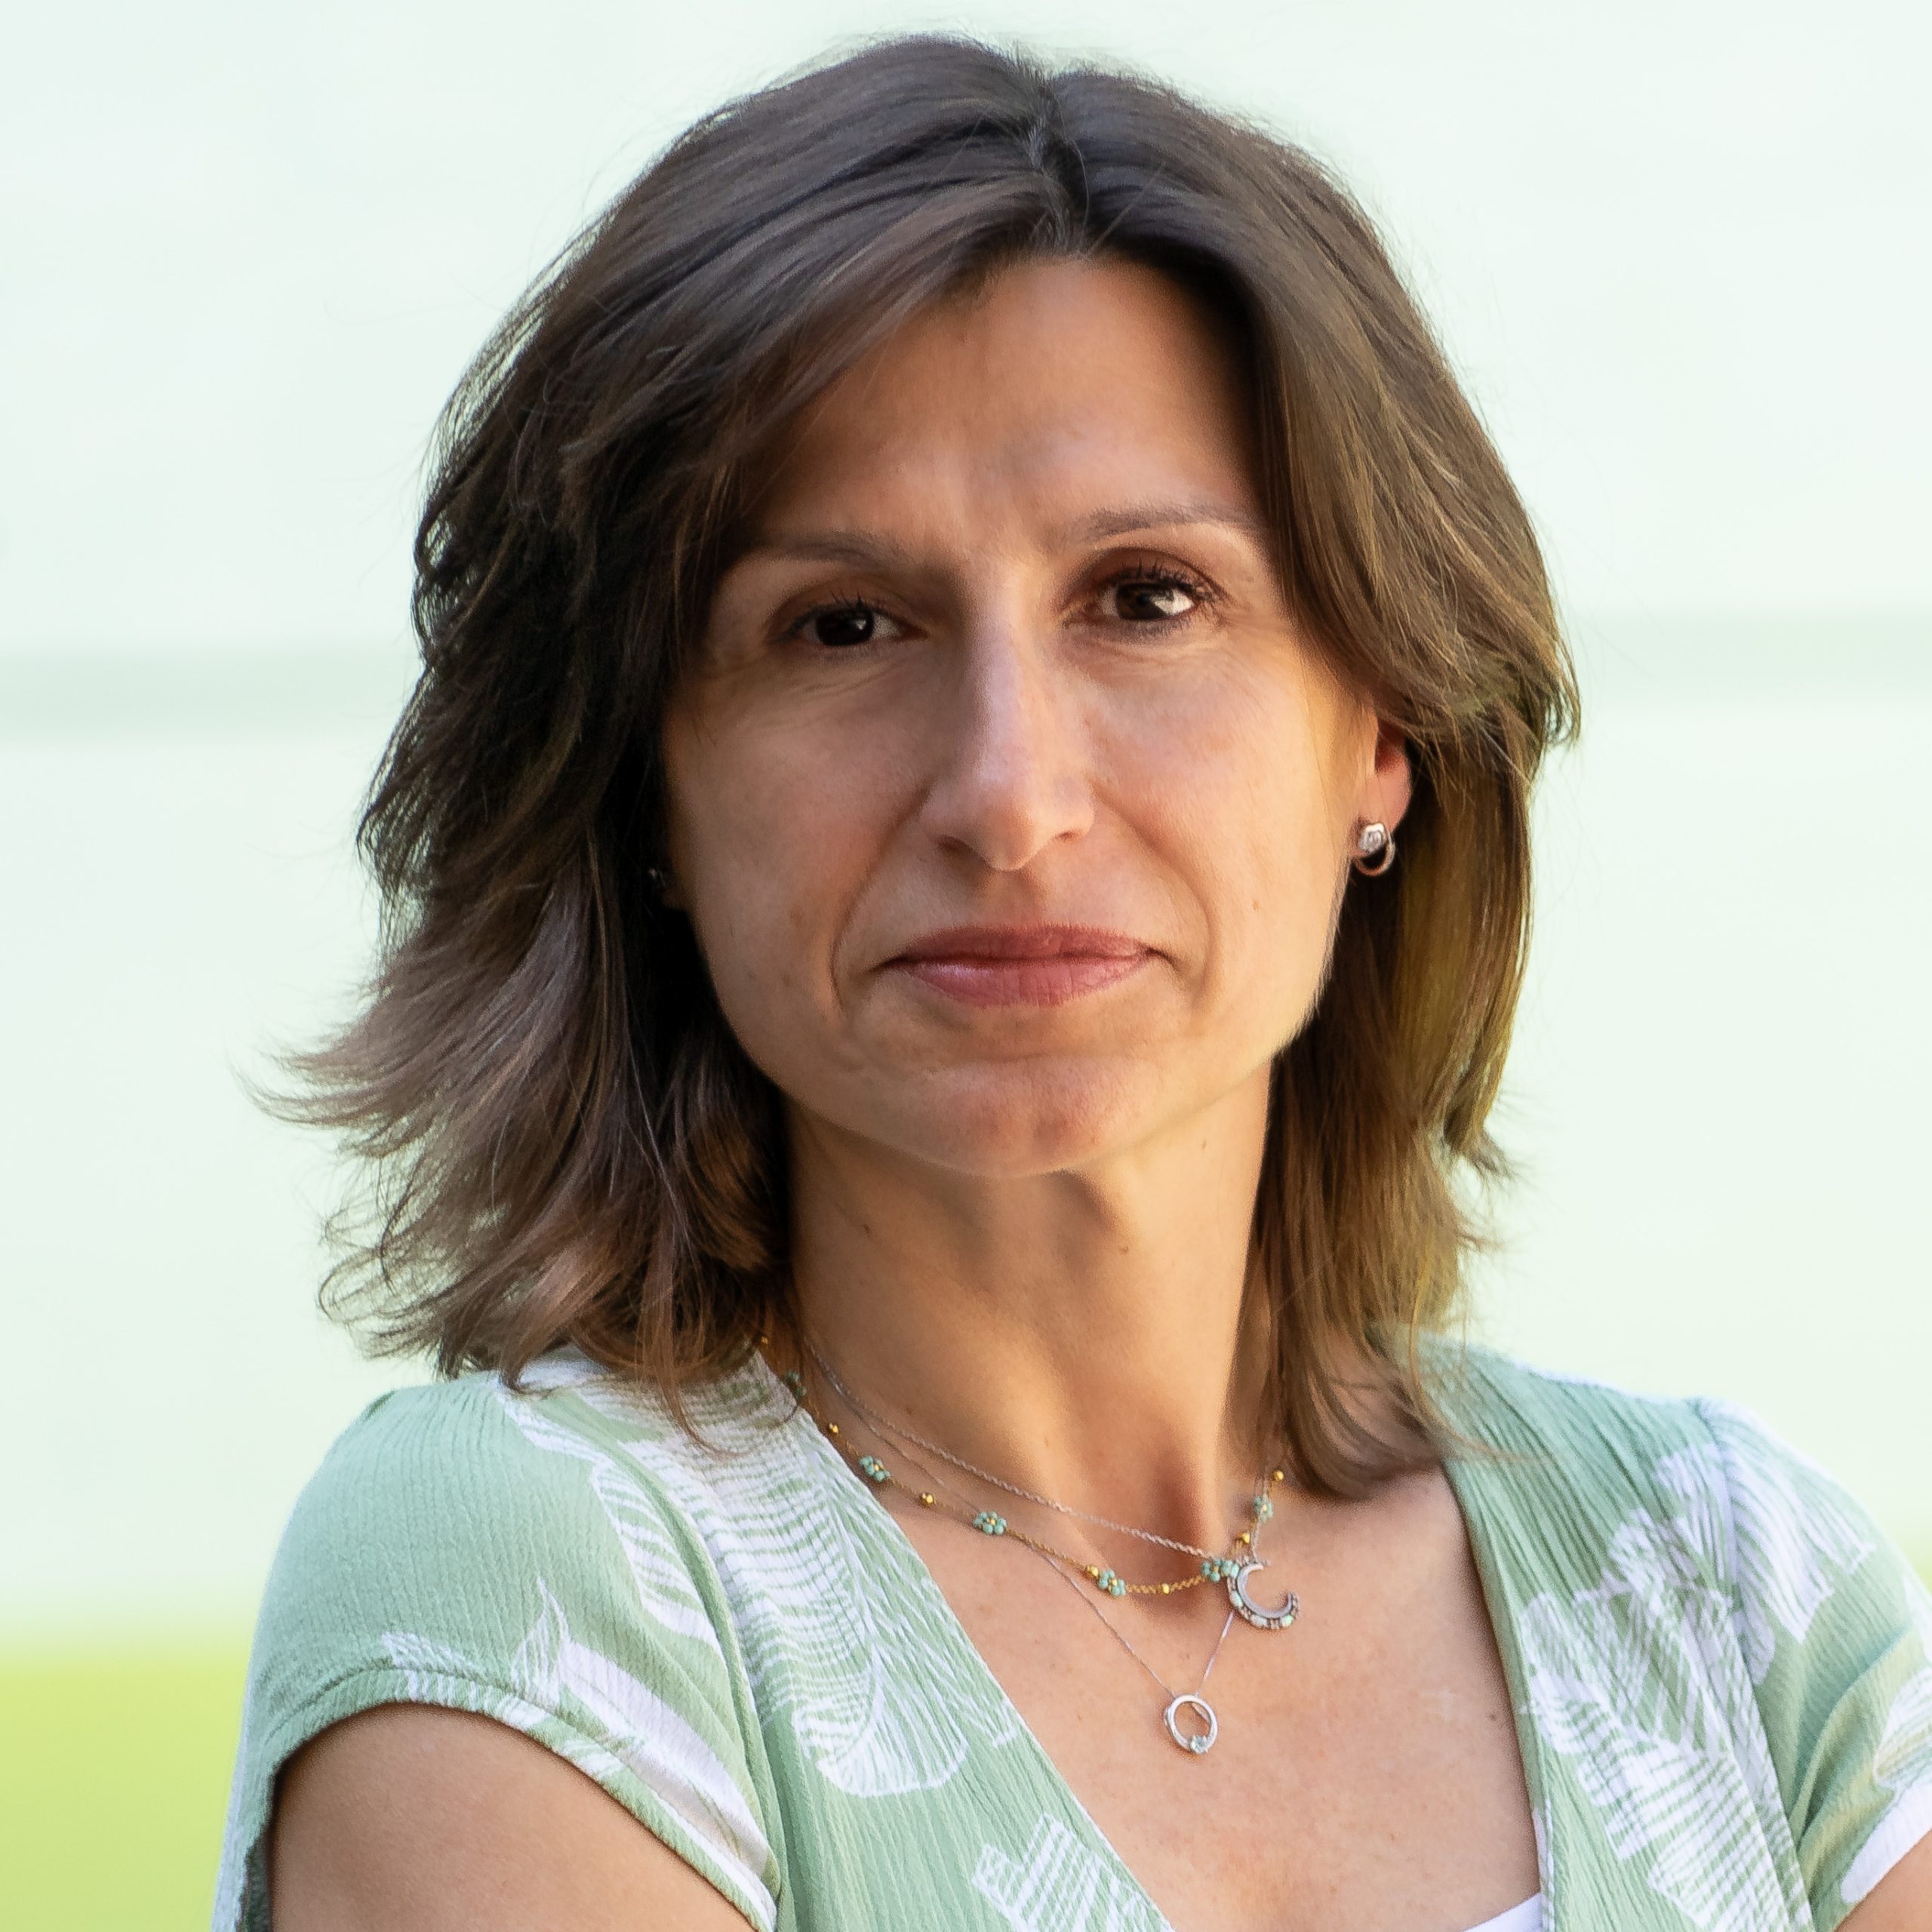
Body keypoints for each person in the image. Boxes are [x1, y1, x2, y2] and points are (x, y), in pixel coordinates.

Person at [213, 35, 1932, 1932]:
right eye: (841, 626)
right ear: (644, 789)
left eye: (1145, 598)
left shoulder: (1731, 1584)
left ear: (1381, 729)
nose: (1007, 794)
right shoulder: (532, 1580)